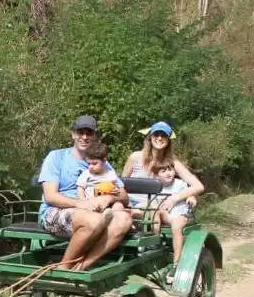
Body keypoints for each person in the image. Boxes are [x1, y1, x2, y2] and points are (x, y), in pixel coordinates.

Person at [37, 115, 133, 270]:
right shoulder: (56, 157)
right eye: (80, 132)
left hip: (97, 212)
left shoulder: (103, 162)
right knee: (93, 220)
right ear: (73, 134)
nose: (84, 137)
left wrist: (108, 197)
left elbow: (124, 197)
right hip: (56, 212)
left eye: (89, 133)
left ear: (95, 136)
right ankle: (64, 266)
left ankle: (82, 266)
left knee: (124, 220)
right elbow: (50, 196)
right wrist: (83, 204)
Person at [155, 161, 201, 283]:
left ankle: (176, 264)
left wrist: (191, 197)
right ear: (157, 174)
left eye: (170, 170)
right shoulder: (155, 185)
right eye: (163, 171)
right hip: (165, 214)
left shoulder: (180, 184)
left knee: (176, 226)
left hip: (180, 213)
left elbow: (190, 194)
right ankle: (154, 244)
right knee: (154, 213)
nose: (168, 173)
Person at [76, 141, 128, 212]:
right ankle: (106, 217)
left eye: (94, 163)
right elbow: (80, 189)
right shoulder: (86, 174)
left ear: (104, 161)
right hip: (92, 202)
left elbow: (119, 190)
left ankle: (111, 217)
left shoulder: (111, 174)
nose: (91, 167)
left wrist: (116, 192)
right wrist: (84, 201)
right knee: (91, 209)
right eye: (89, 163)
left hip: (109, 203)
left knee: (118, 206)